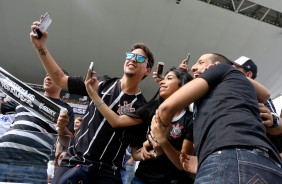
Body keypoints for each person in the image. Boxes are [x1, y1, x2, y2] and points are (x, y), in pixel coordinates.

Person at [31, 19, 155, 184]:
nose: (132, 59)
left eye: (140, 59)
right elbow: (60, 79)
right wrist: (41, 47)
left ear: (147, 70)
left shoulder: (142, 107)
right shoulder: (102, 83)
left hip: (106, 171)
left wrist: (143, 154)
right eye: (130, 55)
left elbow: (127, 139)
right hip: (73, 161)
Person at [155, 53, 282, 183]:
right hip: (263, 164)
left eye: (200, 62)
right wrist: (202, 159)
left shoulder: (228, 75)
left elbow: (165, 109)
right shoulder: (210, 99)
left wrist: (161, 131)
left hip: (231, 158)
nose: (194, 67)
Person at [0, 74, 74, 183]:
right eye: (46, 75)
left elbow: (68, 141)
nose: (47, 78)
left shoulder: (65, 109)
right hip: (3, 155)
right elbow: (2, 108)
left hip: (31, 163)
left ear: (61, 83)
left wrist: (62, 128)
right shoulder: (26, 97)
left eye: (52, 76)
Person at [130, 67, 195, 184]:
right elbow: (136, 154)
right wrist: (147, 153)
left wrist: (163, 142)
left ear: (183, 86)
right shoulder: (151, 111)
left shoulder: (191, 120)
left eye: (169, 78)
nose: (162, 81)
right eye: (163, 79)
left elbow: (182, 164)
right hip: (141, 178)